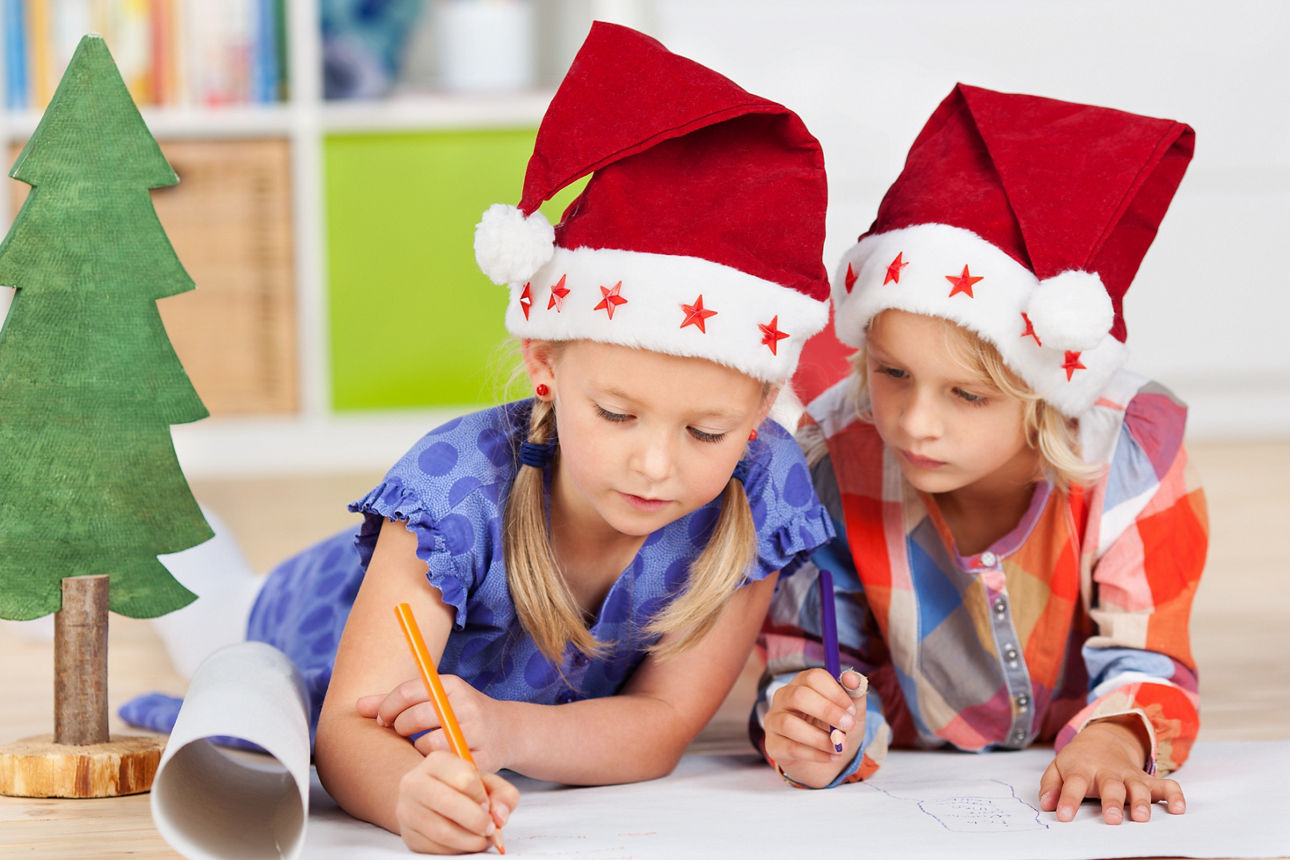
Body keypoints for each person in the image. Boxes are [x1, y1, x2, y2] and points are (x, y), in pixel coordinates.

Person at [124, 22, 834, 855]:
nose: (655, 463)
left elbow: (662, 725)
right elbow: (350, 735)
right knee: (202, 596)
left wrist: (506, 732)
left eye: (707, 431)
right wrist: (404, 796)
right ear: (544, 364)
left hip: (497, 710)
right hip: (292, 626)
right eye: (615, 414)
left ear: (757, 416)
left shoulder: (757, 493)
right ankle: (160, 523)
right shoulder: (456, 486)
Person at [754, 84, 1208, 827]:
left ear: (1048, 394)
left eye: (967, 395)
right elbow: (810, 655)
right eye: (893, 373)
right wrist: (812, 729)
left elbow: (1150, 656)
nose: (915, 423)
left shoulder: (1129, 448)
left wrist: (1115, 738)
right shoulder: (833, 455)